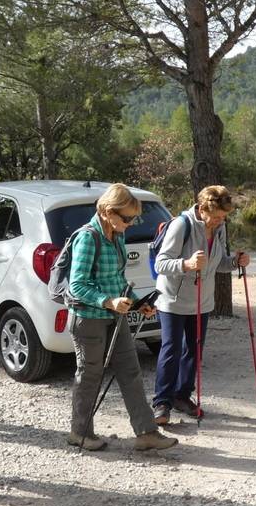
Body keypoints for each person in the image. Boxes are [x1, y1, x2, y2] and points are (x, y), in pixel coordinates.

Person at [68, 183, 178, 452]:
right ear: (107, 211)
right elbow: (77, 285)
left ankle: (146, 433)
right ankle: (79, 433)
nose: (130, 224)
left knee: (131, 371)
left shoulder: (116, 235)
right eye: (126, 218)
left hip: (115, 316)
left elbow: (117, 279)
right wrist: (108, 301)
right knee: (90, 375)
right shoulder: (88, 237)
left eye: (133, 219)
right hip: (88, 317)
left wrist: (138, 304)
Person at [151, 185, 250, 424]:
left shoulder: (219, 228)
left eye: (223, 217)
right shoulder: (181, 225)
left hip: (202, 302)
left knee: (194, 351)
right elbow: (161, 265)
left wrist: (237, 262)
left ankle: (182, 396)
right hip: (173, 300)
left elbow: (218, 264)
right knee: (171, 350)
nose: (220, 221)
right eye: (216, 217)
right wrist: (186, 264)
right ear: (203, 209)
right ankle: (161, 403)